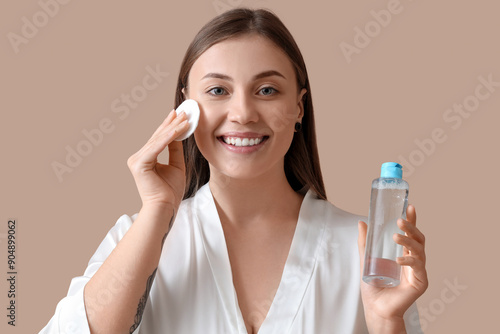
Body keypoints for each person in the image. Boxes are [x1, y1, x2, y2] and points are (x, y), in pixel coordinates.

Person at [40, 8, 428, 334]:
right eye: (217, 91)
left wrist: (386, 321)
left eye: (267, 91)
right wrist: (159, 210)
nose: (242, 114)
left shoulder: (365, 255)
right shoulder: (138, 238)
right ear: (185, 108)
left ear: (299, 107)